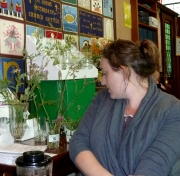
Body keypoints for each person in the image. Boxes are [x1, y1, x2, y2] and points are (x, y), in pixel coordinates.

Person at [69, 39, 180, 176]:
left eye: (105, 73)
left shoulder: (172, 109)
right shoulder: (102, 99)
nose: (103, 81)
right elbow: (78, 141)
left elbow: (156, 162)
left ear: (124, 70)